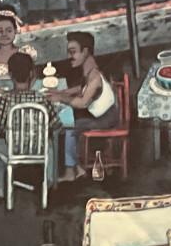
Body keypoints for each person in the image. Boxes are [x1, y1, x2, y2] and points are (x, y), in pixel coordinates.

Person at [0, 51, 62, 197]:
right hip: (38, 150)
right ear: (31, 74)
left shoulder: (4, 100)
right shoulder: (42, 99)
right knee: (50, 142)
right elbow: (57, 126)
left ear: (10, 74)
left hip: (12, 149)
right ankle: (49, 181)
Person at [47, 30, 119, 181]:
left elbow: (83, 102)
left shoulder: (95, 76)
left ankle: (71, 172)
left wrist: (61, 97)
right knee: (70, 122)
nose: (69, 56)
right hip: (102, 114)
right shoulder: (90, 70)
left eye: (73, 52)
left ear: (85, 51)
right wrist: (62, 91)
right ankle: (77, 167)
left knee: (69, 128)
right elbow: (82, 88)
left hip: (105, 119)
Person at [0, 8, 39, 90]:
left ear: (15, 31)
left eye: (9, 31)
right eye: (0, 31)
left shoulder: (25, 52)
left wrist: (23, 92)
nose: (4, 34)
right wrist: (5, 94)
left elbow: (34, 76)